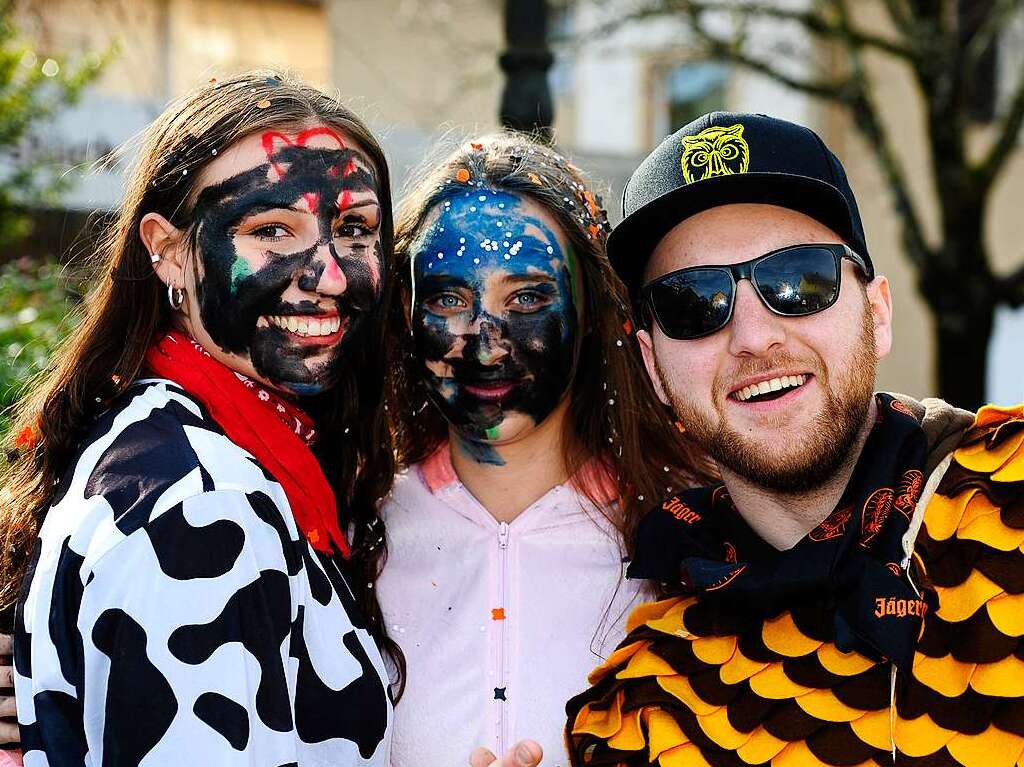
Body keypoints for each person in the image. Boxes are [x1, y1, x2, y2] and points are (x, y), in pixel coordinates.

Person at [565, 112, 1023, 766]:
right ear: (653, 368)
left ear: (878, 311)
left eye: (799, 280)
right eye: (693, 301)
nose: (753, 335)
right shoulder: (645, 710)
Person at [0, 71, 404, 766]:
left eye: (356, 229)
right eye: (272, 229)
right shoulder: (198, 502)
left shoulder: (186, 448)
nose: (330, 275)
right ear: (167, 249)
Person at [380, 132, 712, 767]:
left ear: (589, 308)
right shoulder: (347, 541)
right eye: (449, 299)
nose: (486, 343)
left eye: (527, 298)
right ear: (405, 308)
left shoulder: (689, 536)